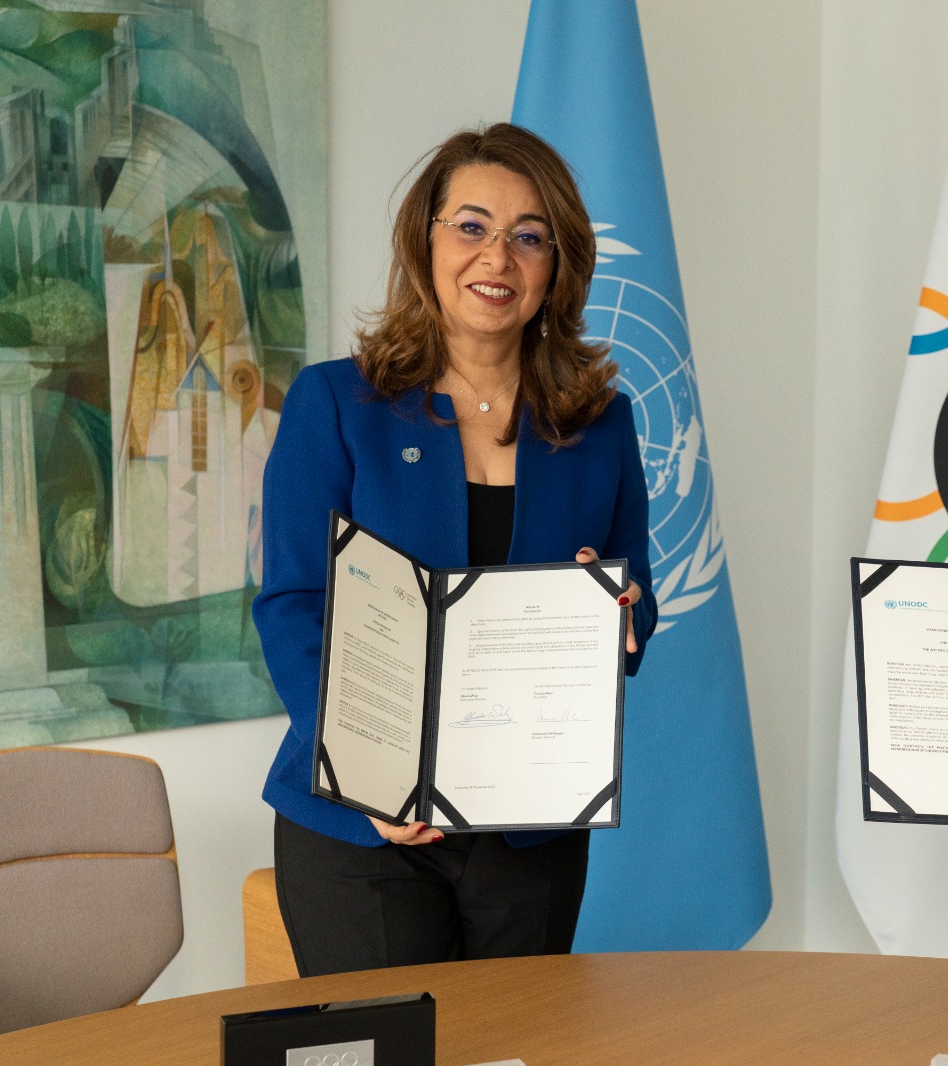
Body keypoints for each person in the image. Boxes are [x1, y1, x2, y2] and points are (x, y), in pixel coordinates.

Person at [252, 123, 657, 977]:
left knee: (517, 1041)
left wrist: (619, 613)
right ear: (425, 241)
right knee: (396, 1039)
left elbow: (636, 600)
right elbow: (293, 606)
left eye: (528, 237)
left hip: (530, 828)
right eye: (471, 226)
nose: (496, 258)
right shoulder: (335, 403)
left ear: (558, 265)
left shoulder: (602, 426)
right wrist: (363, 773)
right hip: (363, 828)